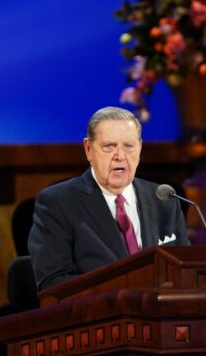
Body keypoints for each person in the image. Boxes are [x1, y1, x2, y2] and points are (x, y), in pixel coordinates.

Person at [28, 106, 190, 291]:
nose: (120, 156)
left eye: (129, 146)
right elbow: (53, 283)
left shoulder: (164, 199)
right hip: (97, 315)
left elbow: (183, 271)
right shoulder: (58, 203)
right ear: (88, 149)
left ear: (140, 148)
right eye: (109, 146)